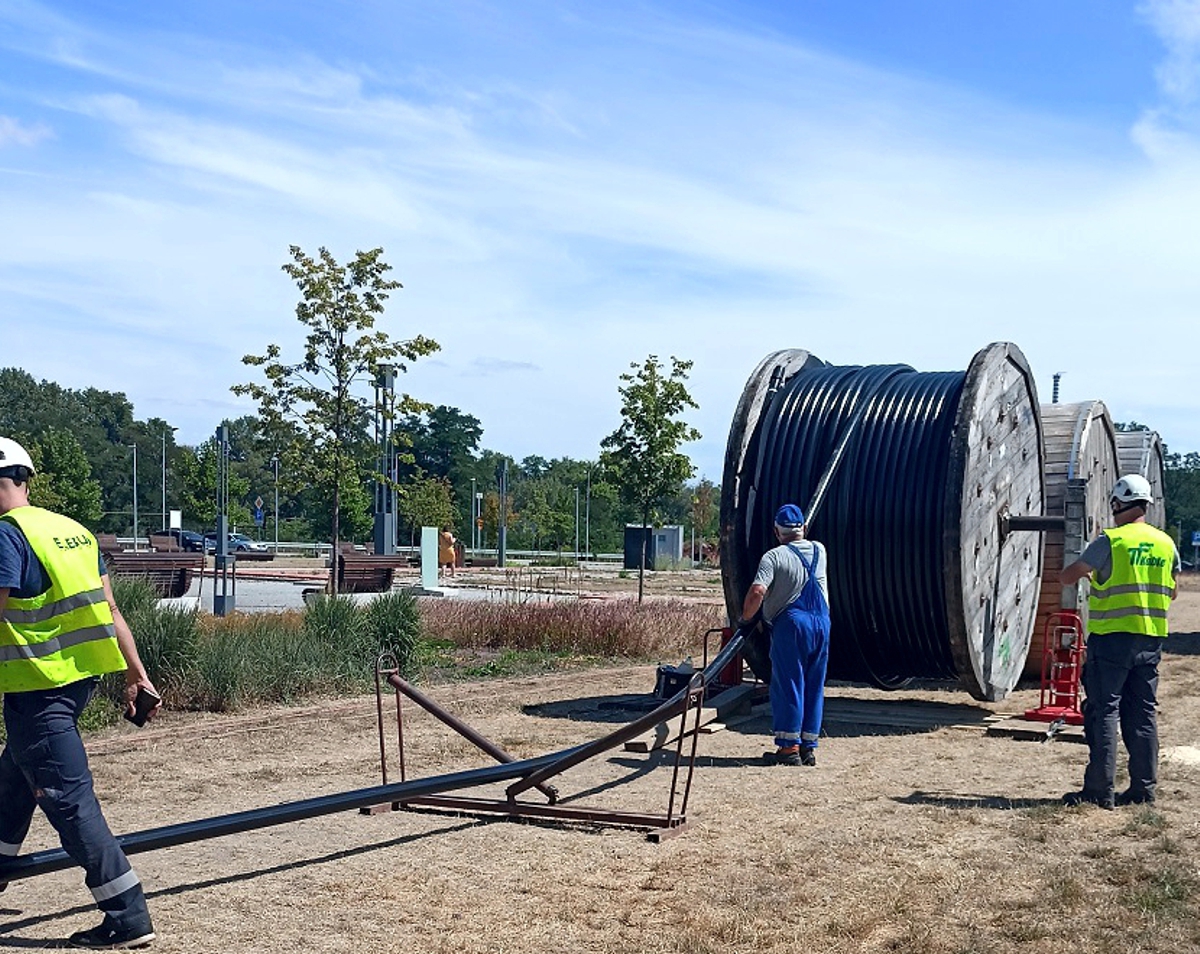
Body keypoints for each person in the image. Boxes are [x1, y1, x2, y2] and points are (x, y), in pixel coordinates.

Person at [0, 437, 160, 949]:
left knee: (69, 803)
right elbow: (110, 610)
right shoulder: (72, 533)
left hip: (37, 690)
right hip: (76, 685)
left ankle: (127, 916)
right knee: (13, 781)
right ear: (26, 480)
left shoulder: (7, 536)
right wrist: (136, 673)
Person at [1060, 474, 1179, 810]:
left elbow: (1068, 576)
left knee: (1104, 711)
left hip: (1112, 639)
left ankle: (1099, 790)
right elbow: (1172, 591)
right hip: (1151, 639)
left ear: (1117, 503)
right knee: (1143, 714)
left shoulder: (1111, 541)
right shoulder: (1166, 543)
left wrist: (1087, 573)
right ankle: (1143, 790)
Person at [739, 504, 831, 767]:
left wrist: (745, 619)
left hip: (791, 625)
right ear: (804, 528)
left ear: (776, 531)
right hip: (822, 624)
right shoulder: (820, 550)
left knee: (789, 683)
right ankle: (808, 747)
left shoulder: (773, 557)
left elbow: (758, 591)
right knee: (814, 685)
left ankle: (789, 748)